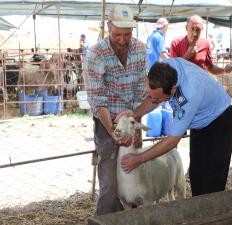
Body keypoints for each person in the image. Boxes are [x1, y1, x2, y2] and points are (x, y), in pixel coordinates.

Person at [116, 57, 232, 197]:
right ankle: (200, 213)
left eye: (158, 99)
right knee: (197, 174)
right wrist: (134, 113)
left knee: (212, 180)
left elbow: (172, 141)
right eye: (150, 95)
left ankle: (213, 216)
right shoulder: (164, 69)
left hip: (220, 122)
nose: (153, 101)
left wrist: (139, 159)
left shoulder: (190, 93)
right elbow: (153, 98)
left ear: (173, 89)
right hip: (200, 122)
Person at [83, 4, 147, 215]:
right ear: (108, 27)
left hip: (131, 119)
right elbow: (96, 98)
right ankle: (105, 219)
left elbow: (141, 91)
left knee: (132, 174)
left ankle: (131, 216)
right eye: (117, 34)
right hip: (107, 121)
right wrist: (114, 131)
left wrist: (136, 126)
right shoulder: (97, 53)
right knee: (110, 182)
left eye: (127, 34)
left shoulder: (139, 49)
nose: (122, 40)